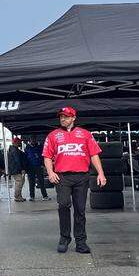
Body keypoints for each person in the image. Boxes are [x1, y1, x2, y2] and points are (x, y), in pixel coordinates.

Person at [43, 106, 106, 254]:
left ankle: (81, 242)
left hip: (81, 177)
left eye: (66, 116)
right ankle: (64, 238)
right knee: (63, 205)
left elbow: (94, 155)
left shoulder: (85, 134)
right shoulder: (53, 135)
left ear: (73, 118)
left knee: (80, 210)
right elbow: (47, 156)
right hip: (62, 177)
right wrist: (50, 172)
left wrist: (101, 174)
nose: (63, 119)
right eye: (61, 116)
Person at [24, 136, 51, 201]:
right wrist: (26, 167)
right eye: (32, 139)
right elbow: (25, 157)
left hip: (39, 166)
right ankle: (32, 196)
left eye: (34, 139)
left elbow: (43, 155)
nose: (33, 140)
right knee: (31, 182)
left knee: (41, 182)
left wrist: (43, 164)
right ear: (30, 140)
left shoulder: (40, 146)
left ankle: (45, 196)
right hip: (30, 167)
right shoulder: (27, 147)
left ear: (36, 140)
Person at [8, 136, 28, 202]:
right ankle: (17, 196)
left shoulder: (13, 149)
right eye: (19, 142)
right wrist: (22, 169)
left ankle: (19, 196)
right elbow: (17, 160)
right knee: (19, 182)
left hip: (15, 169)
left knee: (20, 182)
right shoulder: (14, 150)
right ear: (16, 142)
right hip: (16, 169)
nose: (20, 143)